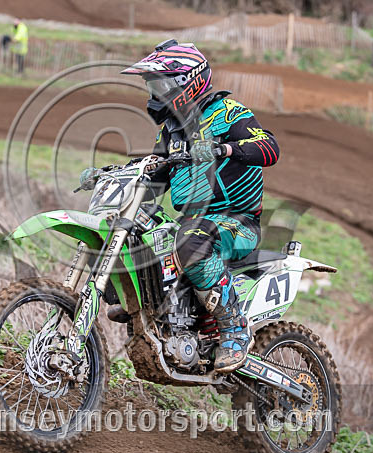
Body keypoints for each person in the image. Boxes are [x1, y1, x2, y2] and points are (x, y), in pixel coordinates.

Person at [82, 39, 280, 373]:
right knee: (131, 229)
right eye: (152, 86)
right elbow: (154, 173)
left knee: (190, 238)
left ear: (187, 82)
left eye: (161, 85)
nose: (156, 93)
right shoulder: (171, 130)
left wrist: (226, 149)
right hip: (193, 220)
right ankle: (138, 300)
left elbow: (269, 146)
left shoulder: (228, 114)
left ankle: (233, 325)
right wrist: (112, 177)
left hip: (236, 222)